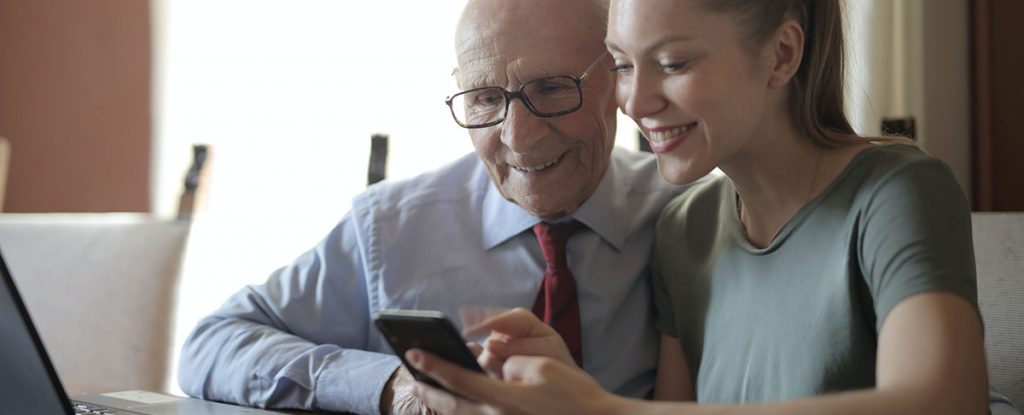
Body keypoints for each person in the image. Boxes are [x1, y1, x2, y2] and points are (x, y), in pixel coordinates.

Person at [406, 0, 990, 414]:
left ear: (782, 54)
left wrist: (602, 410)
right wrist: (560, 390)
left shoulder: (897, 190)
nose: (635, 100)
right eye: (623, 65)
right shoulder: (686, 227)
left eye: (674, 63)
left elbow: (943, 404)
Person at [176, 0, 685, 413]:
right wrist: (392, 387)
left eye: (552, 89)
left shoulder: (689, 220)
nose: (518, 137)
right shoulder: (390, 227)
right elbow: (211, 345)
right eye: (485, 99)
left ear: (618, 80)